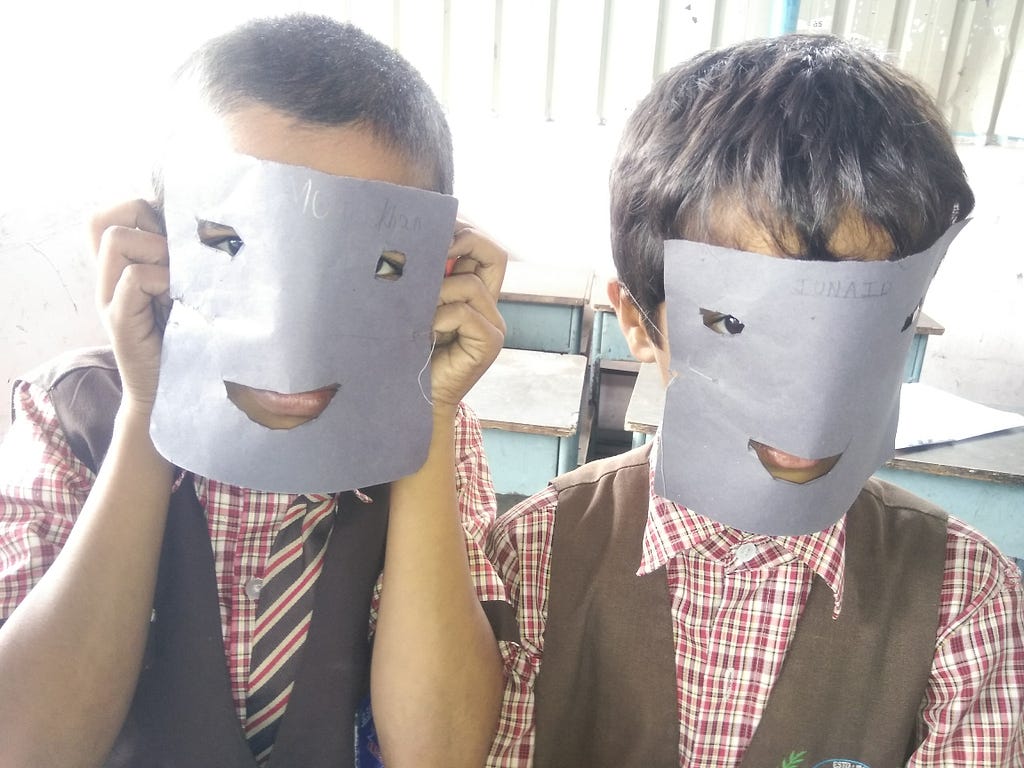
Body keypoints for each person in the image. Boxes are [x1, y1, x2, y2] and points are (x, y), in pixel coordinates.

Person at [486, 34, 1023, 767]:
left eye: (865, 326)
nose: (811, 394)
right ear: (641, 323)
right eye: (735, 323)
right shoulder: (533, 557)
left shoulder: (966, 600)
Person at [0, 15, 512, 768]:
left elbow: (439, 753)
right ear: (151, 236)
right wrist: (148, 409)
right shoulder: (70, 414)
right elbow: (27, 744)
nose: (293, 335)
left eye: (375, 264)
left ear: (443, 264)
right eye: (230, 243)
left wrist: (429, 418)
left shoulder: (425, 431)